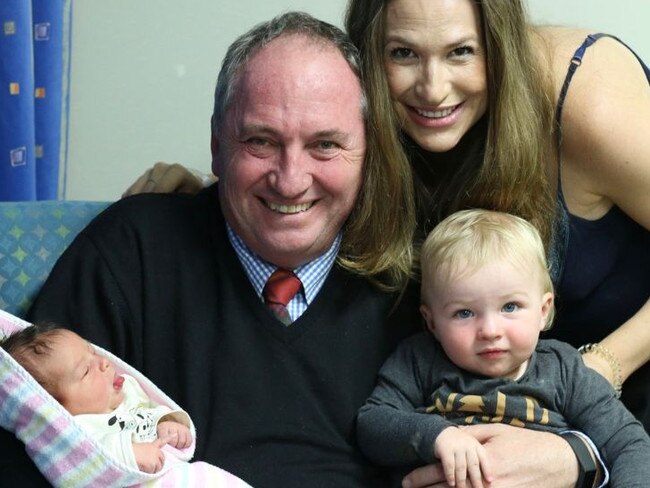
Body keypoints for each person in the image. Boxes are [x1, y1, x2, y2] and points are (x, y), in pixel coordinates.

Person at [2, 11, 597, 488]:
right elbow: (22, 442)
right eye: (261, 141)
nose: (290, 179)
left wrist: (576, 458)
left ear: (370, 151)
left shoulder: (432, 271)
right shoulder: (131, 251)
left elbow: (551, 399)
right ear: (216, 146)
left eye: (325, 145)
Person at [129, 0, 650, 437]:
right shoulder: (389, 121)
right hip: (516, 406)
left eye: (461, 52)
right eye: (403, 53)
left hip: (616, 397)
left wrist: (601, 370)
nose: (432, 88)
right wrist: (215, 187)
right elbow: (305, 169)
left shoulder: (585, 100)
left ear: (499, 41)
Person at [357, 209, 650, 488]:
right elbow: (372, 424)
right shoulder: (420, 360)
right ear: (431, 322)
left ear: (544, 310)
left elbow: (627, 442)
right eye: (464, 313)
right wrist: (435, 435)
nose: (490, 331)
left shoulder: (564, 370)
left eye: (510, 307)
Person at [1, 323, 252, 485]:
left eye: (93, 352)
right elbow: (88, 467)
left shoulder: (128, 393)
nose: (104, 363)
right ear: (55, 406)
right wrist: (130, 454)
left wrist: (167, 423)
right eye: (86, 371)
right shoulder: (76, 433)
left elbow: (150, 413)